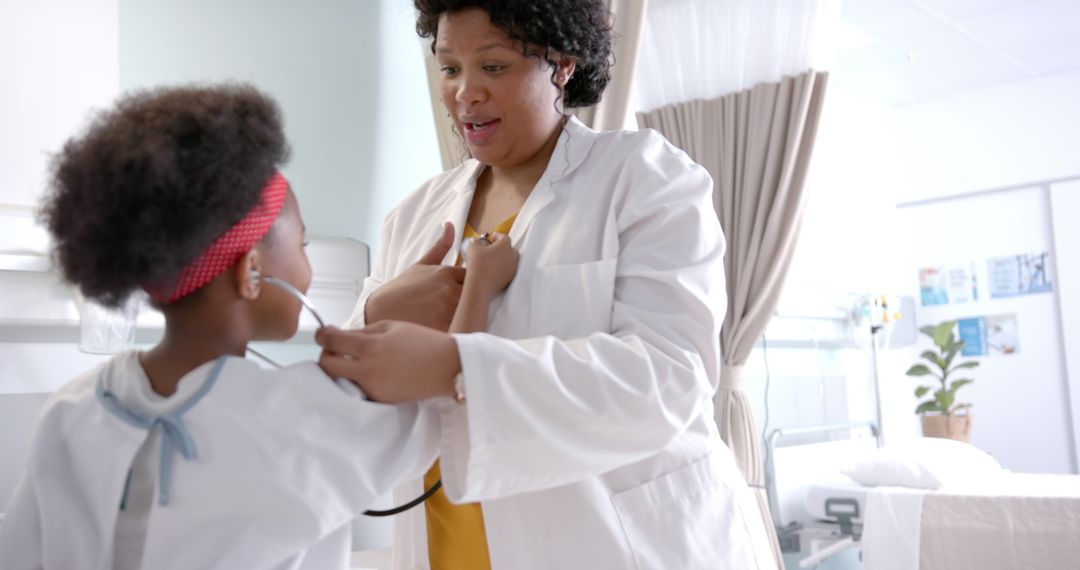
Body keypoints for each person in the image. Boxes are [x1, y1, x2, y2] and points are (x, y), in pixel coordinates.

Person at [315, 1, 777, 568]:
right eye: (450, 68)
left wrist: (454, 366)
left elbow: (668, 377)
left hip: (609, 541)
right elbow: (348, 374)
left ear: (560, 64)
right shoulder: (412, 217)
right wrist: (377, 310)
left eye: (493, 67)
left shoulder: (645, 178)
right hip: (447, 539)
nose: (465, 94)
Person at [0, 84, 518, 570]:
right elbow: (447, 406)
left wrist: (381, 312)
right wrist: (478, 286)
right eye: (302, 246)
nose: (308, 267)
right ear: (250, 270)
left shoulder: (72, 413)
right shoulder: (297, 417)